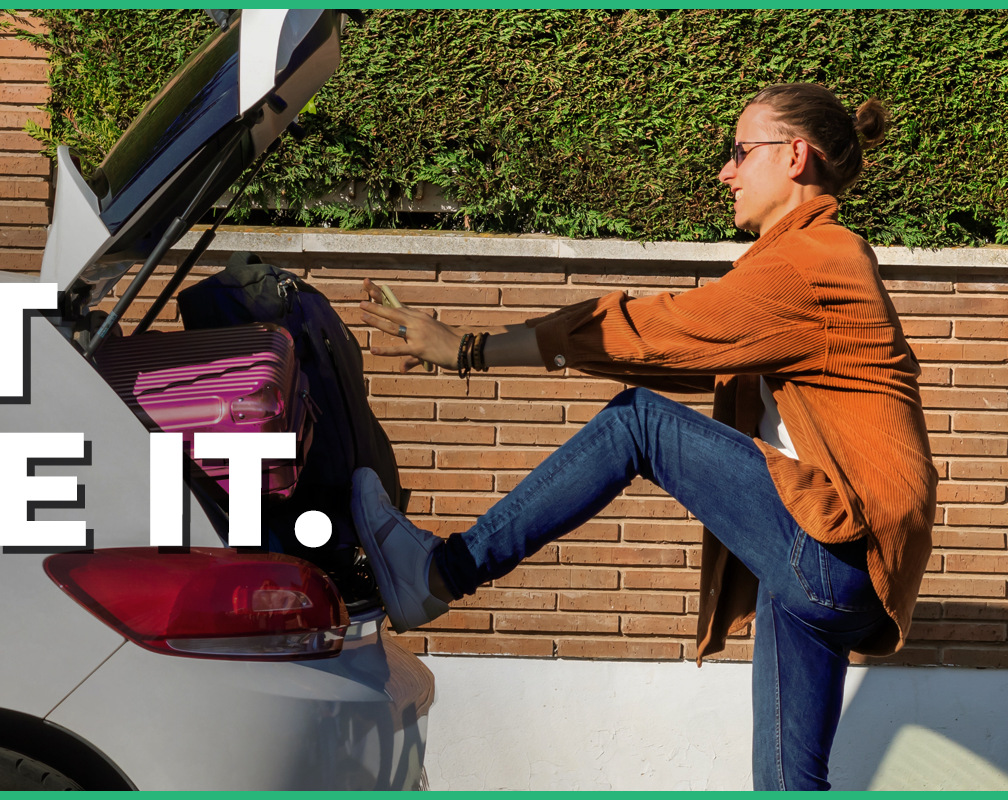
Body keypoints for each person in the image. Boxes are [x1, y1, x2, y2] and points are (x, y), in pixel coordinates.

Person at [346, 83, 937, 791]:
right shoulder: (802, 264)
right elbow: (702, 366)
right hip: (828, 567)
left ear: (795, 156)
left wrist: (472, 348)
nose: (725, 170)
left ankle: (442, 573)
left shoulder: (819, 260)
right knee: (786, 781)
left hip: (834, 555)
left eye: (740, 150)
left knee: (638, 420)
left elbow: (652, 333)